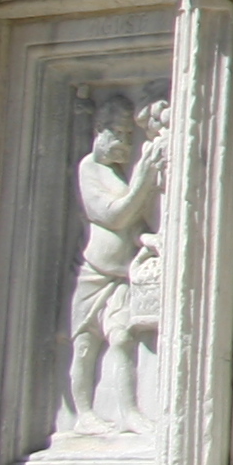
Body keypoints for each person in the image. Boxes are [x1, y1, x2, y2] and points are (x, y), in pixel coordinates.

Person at [68, 97, 163, 432]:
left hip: (120, 275)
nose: (124, 143)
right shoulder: (88, 169)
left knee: (122, 338)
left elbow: (132, 225)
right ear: (98, 132)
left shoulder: (116, 174)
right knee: (85, 344)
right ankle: (84, 416)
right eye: (117, 135)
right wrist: (144, 179)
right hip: (94, 274)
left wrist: (150, 239)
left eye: (127, 135)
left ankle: (129, 412)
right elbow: (114, 215)